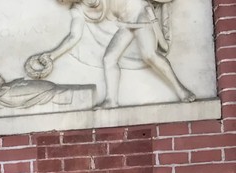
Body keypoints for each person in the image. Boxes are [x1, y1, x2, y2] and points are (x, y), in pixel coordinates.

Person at [27, 0, 195, 108]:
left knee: (149, 55)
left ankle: (181, 91)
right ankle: (111, 101)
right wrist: (52, 55)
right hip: (127, 24)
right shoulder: (78, 10)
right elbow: (73, 37)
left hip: (141, 13)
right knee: (109, 59)